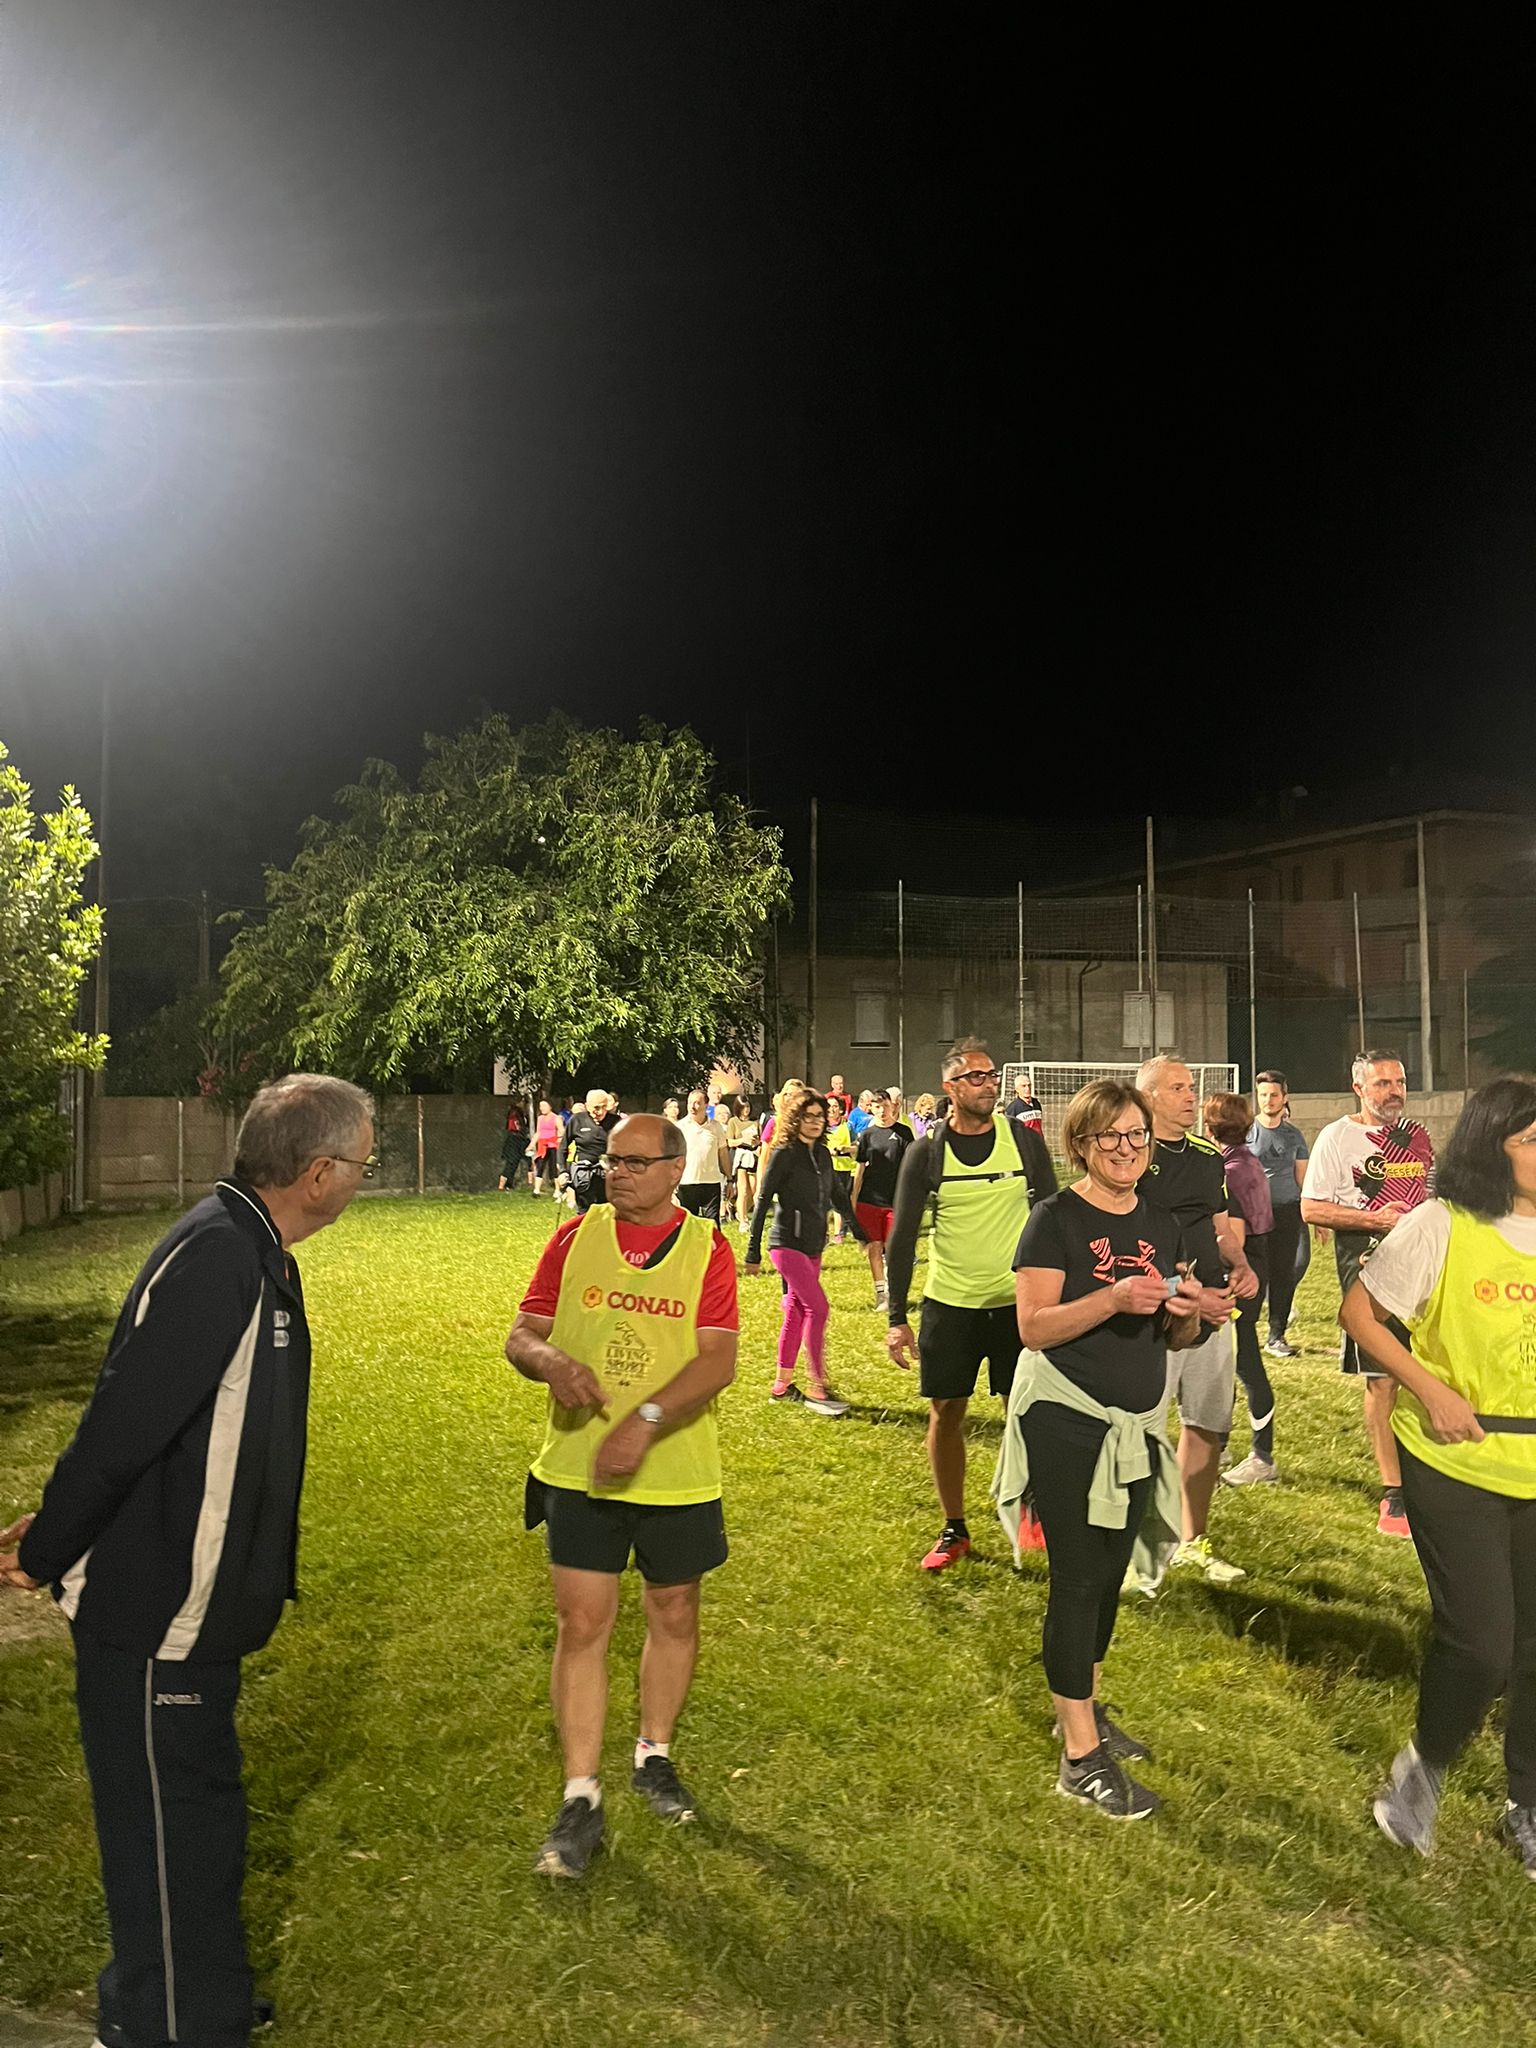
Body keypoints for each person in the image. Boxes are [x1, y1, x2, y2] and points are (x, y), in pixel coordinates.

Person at [0, 1075, 376, 2048]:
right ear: (318, 1172)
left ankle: (195, 1991)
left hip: (196, 1611)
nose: (362, 1180)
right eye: (363, 1165)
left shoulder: (254, 1247)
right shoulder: (220, 1255)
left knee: (197, 1820)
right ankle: (169, 2022)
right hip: (152, 1612)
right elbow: (123, 1426)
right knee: (167, 1831)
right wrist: (46, 1546)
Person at [506, 1112, 738, 1880]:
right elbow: (522, 1334)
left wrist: (644, 1421)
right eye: (612, 1160)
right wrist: (550, 1363)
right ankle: (580, 1797)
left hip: (676, 1473)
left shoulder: (707, 1248)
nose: (617, 1173)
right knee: (582, 1624)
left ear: (676, 1170)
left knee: (673, 1613)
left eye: (636, 1162)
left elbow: (717, 1362)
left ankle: (653, 1754)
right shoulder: (574, 1239)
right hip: (577, 1468)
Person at [1339, 1077, 1536, 1877]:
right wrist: (1430, 1389)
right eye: (1532, 1139)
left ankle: (1527, 1804)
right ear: (1492, 1145)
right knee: (1483, 1644)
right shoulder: (1441, 1223)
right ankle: (1421, 1773)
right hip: (1456, 1465)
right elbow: (1359, 1315)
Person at [1011, 1078, 1204, 1817]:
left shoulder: (1161, 1222)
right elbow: (1034, 1326)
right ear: (1081, 1145)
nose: (1126, 1148)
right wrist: (1112, 1298)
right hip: (1066, 1418)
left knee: (1112, 1569)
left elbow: (1173, 1336)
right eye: (1110, 1136)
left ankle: (1085, 1706)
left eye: (1136, 1135)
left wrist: (1189, 1313)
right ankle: (1079, 1756)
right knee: (1078, 1577)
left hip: (1137, 1425)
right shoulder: (1054, 1219)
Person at [884, 1040, 1056, 1568]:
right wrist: (896, 1318)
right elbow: (902, 1237)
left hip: (1016, 1305)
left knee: (1024, 1412)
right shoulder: (926, 1152)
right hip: (951, 1305)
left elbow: (1055, 1218)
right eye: (976, 1077)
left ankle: (1032, 1507)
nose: (989, 1084)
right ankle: (953, 1528)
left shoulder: (1023, 1142)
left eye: (992, 1075)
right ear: (951, 1087)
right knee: (946, 1413)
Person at [1301, 1050, 1435, 1539]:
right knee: (1382, 1379)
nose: (1393, 1091)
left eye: (1399, 1082)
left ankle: (1432, 1475)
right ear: (1358, 1088)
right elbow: (1311, 1208)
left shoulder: (1417, 1136)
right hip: (1367, 1264)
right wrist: (1375, 1219)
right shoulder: (1336, 1138)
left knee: (1428, 1370)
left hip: (1423, 1266)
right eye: (1382, 1083)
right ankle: (1393, 1492)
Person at [1137, 1056, 1259, 1584]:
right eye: (1177, 1088)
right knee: (1142, 1431)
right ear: (1148, 1098)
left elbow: (1218, 1225)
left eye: (1191, 1087)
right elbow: (1123, 1246)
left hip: (1215, 1308)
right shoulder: (1130, 1155)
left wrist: (1241, 1265)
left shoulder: (1209, 1157)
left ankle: (1193, 1540)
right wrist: (1182, 1294)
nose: (1191, 1096)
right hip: (1154, 1313)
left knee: (1206, 1425)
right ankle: (1139, 1548)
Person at [745, 1089, 866, 1417]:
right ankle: (817, 1386)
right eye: (808, 1116)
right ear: (795, 1119)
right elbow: (763, 1199)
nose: (814, 1122)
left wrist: (859, 1232)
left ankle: (781, 1386)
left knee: (797, 1312)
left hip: (814, 1245)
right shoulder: (784, 1153)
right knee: (818, 1308)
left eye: (819, 1117)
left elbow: (838, 1196)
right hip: (786, 1244)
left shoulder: (823, 1154)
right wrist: (753, 1252)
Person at [1204, 1092, 1278, 1485]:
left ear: (1209, 1128)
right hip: (1256, 1262)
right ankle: (1221, 1445)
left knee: (1242, 1361)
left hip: (1242, 1269)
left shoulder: (1228, 1170)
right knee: (1230, 1360)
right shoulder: (1248, 1161)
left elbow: (1233, 1233)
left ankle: (1262, 1456)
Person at [1248, 1070, 1311, 1358]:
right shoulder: (1247, 1132)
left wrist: (1311, 1212)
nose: (1268, 1100)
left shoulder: (1294, 1136)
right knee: (1256, 1273)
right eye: (1263, 1094)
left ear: (1284, 1098)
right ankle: (1246, 1333)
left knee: (1286, 1272)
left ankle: (1276, 1336)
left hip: (1287, 1212)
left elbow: (1302, 1177)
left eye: (1274, 1094)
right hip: (1255, 1215)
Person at [853, 1089, 913, 1309]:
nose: (882, 1111)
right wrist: (853, 1199)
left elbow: (911, 1168)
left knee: (893, 1249)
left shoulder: (904, 1133)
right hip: (869, 1200)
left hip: (895, 1201)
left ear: (892, 1106)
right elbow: (860, 1170)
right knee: (874, 1247)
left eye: (885, 1106)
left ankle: (894, 1291)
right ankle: (881, 1294)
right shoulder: (867, 1135)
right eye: (877, 1107)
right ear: (871, 1109)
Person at [678, 1088, 732, 1223]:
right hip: (687, 1182)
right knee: (689, 1225)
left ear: (706, 1105)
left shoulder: (716, 1127)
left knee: (712, 1225)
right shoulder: (680, 1127)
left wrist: (730, 1179)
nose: (692, 1107)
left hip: (711, 1182)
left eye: (697, 1103)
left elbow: (723, 1153)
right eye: (689, 1102)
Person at [565, 1089, 621, 1214]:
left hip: (607, 1174)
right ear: (587, 1106)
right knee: (584, 1213)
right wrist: (563, 1172)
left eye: (604, 1107)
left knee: (608, 1213)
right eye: (596, 1108)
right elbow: (563, 1147)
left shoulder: (616, 1121)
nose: (600, 1112)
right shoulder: (577, 1120)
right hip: (584, 1174)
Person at [824, 1091, 857, 1243]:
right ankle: (823, 1233)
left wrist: (846, 1149)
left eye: (835, 1106)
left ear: (841, 1109)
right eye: (829, 1106)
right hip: (825, 1168)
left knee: (840, 1202)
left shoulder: (848, 1126)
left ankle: (839, 1233)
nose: (832, 1109)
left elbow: (857, 1146)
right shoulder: (820, 1127)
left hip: (844, 1169)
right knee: (824, 1202)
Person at [726, 1097, 760, 1236]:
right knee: (743, 1189)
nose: (746, 1110)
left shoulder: (755, 1122)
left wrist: (756, 1143)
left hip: (753, 1155)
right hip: (740, 1156)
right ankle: (743, 1221)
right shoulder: (733, 1121)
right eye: (743, 1107)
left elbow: (760, 1140)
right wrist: (743, 1140)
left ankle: (740, 1210)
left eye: (748, 1107)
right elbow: (730, 1142)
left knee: (754, 1189)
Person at [499, 1102, 529, 1190]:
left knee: (515, 1162)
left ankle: (509, 1184)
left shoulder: (523, 1114)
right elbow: (514, 1126)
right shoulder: (514, 1113)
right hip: (514, 1138)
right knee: (511, 1162)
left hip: (521, 1138)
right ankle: (502, 1185)